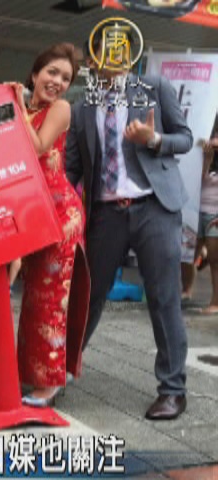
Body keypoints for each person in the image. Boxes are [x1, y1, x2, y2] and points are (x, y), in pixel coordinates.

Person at [65, 31, 192, 420]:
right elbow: (71, 168)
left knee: (163, 297)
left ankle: (172, 391)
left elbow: (185, 138)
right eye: (106, 50)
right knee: (87, 294)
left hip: (155, 206)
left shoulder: (155, 87)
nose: (115, 56)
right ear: (93, 60)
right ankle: (56, 373)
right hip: (106, 213)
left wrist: (154, 139)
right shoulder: (81, 108)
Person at [8, 42, 87, 407]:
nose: (57, 81)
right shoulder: (28, 109)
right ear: (35, 73)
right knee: (34, 299)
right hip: (35, 213)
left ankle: (50, 382)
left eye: (65, 77)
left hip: (60, 215)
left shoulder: (60, 109)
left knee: (51, 301)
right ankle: (34, 372)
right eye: (52, 72)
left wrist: (14, 106)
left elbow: (39, 146)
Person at [182, 127, 218, 313]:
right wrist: (208, 158)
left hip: (214, 213)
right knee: (187, 253)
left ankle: (215, 302)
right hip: (196, 210)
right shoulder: (204, 153)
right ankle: (187, 290)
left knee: (215, 259)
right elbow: (196, 179)